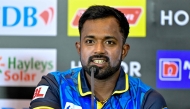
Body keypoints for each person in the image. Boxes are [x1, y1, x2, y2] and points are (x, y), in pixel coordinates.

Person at [29, 5, 167, 109]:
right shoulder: (55, 85)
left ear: (124, 51)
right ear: (79, 48)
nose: (99, 50)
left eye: (109, 42)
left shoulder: (147, 100)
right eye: (90, 41)